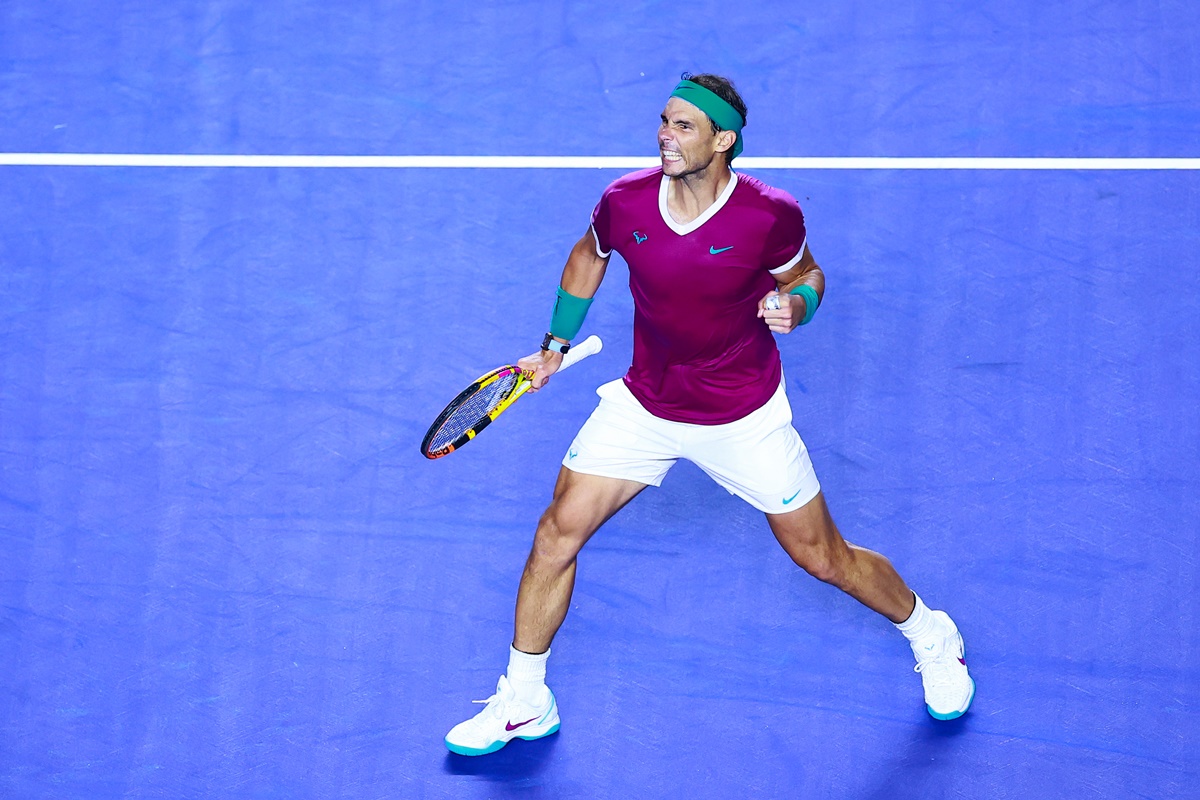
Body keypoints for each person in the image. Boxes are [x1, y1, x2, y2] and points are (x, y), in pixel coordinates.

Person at [444, 73, 975, 757]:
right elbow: (589, 254)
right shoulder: (624, 201)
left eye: (685, 127)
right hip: (646, 403)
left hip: (740, 415)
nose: (666, 135)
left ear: (723, 141)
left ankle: (930, 632)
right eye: (664, 122)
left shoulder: (769, 214)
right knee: (556, 534)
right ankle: (524, 698)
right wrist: (554, 345)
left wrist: (798, 306)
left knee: (823, 559)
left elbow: (806, 275)